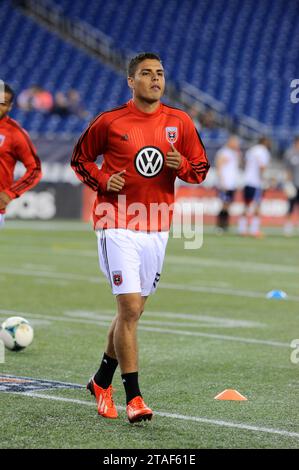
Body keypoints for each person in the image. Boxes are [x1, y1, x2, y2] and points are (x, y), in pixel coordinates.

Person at [71, 52, 210, 423]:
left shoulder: (179, 122)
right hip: (116, 220)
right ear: (130, 81)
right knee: (129, 309)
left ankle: (101, 379)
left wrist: (183, 166)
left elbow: (200, 169)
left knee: (133, 313)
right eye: (146, 73)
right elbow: (81, 160)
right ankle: (134, 397)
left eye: (160, 73)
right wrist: (102, 181)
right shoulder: (110, 121)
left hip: (158, 225)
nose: (155, 79)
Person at [0, 83, 42, 228]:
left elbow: (35, 170)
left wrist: (10, 193)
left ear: (10, 107)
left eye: (3, 103)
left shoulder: (15, 133)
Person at [238, 137, 271, 237]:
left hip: (247, 180)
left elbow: (244, 163)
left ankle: (242, 229)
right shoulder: (263, 151)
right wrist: (264, 180)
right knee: (257, 205)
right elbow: (262, 167)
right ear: (265, 142)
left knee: (247, 205)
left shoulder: (251, 150)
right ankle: (254, 230)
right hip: (256, 182)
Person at [215, 135, 241, 232]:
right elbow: (219, 166)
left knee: (229, 204)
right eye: (235, 142)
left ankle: (225, 225)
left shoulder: (235, 153)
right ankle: (220, 225)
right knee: (224, 204)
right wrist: (222, 182)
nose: (237, 144)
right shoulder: (223, 152)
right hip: (225, 183)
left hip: (232, 184)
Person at [283, 136, 299, 236]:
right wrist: (288, 184)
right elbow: (287, 170)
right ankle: (288, 227)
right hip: (293, 184)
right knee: (290, 206)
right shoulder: (290, 153)